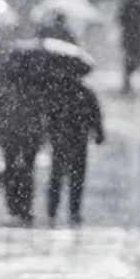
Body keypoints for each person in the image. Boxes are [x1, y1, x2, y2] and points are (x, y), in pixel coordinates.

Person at [42, 76, 104, 224]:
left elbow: (49, 116)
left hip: (61, 141)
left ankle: (52, 210)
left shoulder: (57, 92)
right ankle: (74, 211)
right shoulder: (86, 93)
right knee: (76, 177)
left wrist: (50, 133)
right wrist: (98, 133)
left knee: (57, 176)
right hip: (78, 140)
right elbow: (95, 115)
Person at [0, 46, 48, 221]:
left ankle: (14, 204)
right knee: (26, 170)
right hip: (27, 134)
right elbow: (41, 112)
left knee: (12, 169)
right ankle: (23, 205)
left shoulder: (7, 84)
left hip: (13, 133)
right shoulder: (36, 85)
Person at [117, 0, 140, 94]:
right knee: (132, 58)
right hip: (131, 37)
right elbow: (120, 19)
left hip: (132, 37)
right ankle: (128, 81)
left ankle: (128, 81)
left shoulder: (131, 7)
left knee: (134, 58)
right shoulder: (131, 7)